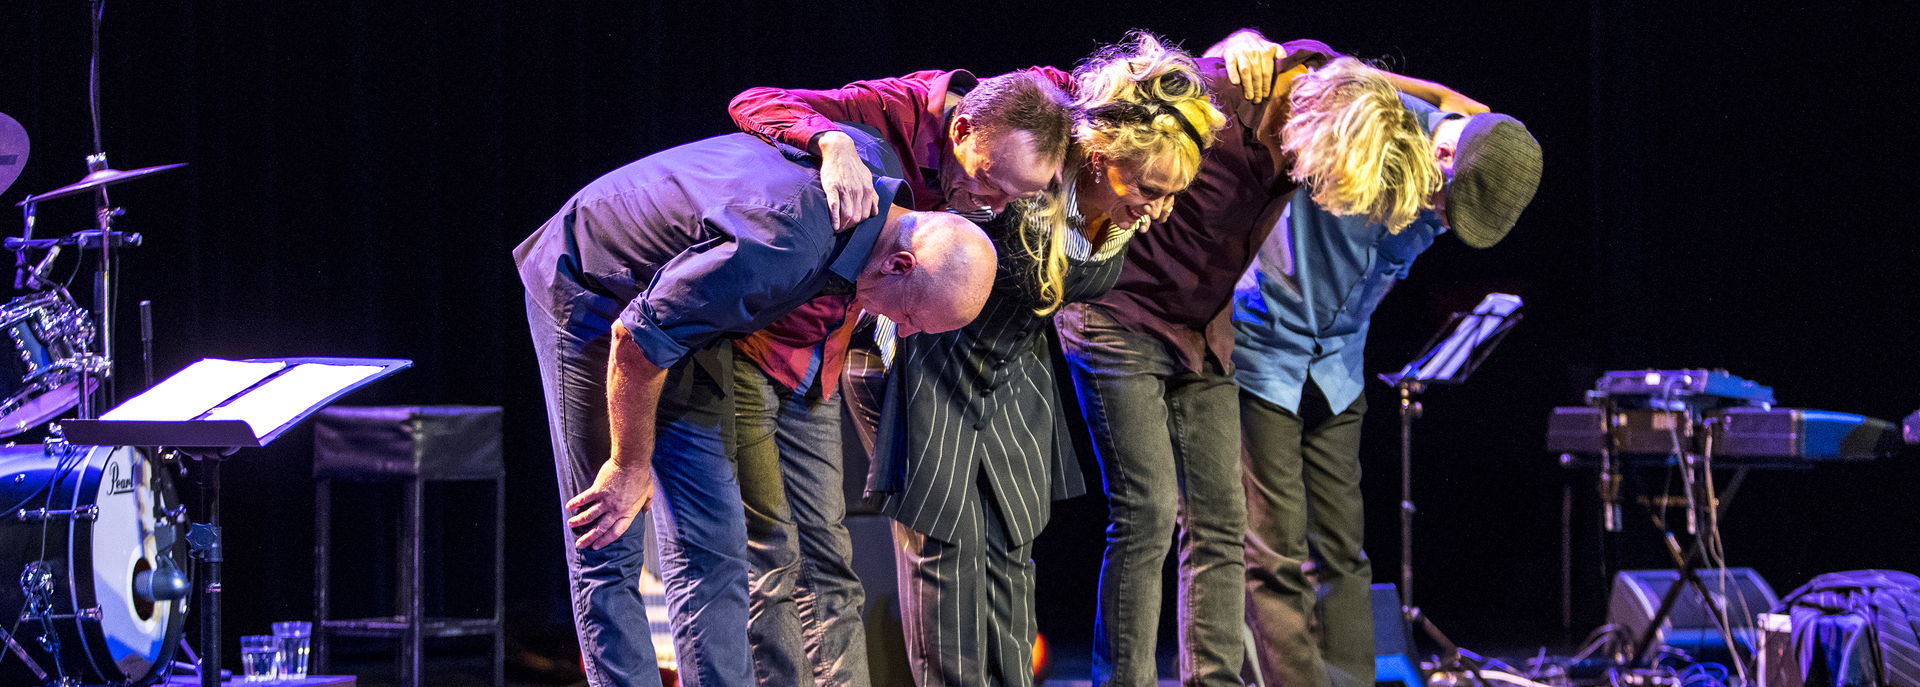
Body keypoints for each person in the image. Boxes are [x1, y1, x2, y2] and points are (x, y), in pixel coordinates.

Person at [730, 31, 1226, 686]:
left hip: (1011, 365)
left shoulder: (1104, 161)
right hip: (927, 350)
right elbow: (762, 103)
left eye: (1173, 192)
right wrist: (833, 141)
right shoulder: (1038, 125)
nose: (1160, 210)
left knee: (1013, 550)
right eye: (1150, 186)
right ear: (1103, 153)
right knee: (949, 553)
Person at [1055, 30, 1484, 687]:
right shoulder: (1224, 96)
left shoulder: (1320, 84)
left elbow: (1387, 85)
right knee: (1145, 515)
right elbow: (1095, 109)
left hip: (1204, 329)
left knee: (1221, 524)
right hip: (1119, 312)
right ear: (1327, 138)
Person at [513, 126, 997, 687]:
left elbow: (806, 120)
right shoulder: (783, 245)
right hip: (596, 285)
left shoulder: (866, 180)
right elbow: (635, 342)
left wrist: (832, 140)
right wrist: (627, 466)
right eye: (911, 316)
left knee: (714, 543)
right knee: (610, 526)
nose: (903, 331)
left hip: (686, 312)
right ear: (900, 264)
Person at [726, 69, 1075, 686]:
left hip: (858, 341)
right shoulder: (890, 112)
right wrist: (830, 143)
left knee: (836, 561)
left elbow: (1084, 83)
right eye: (988, 179)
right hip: (778, 334)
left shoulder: (1020, 115)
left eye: (1009, 198)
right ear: (961, 128)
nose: (989, 203)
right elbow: (755, 99)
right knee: (786, 553)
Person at [1233, 94, 1542, 687]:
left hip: (1339, 364)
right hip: (1267, 348)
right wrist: (1242, 42)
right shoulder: (1369, 117)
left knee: (1344, 552)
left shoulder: (1474, 153)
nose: (1441, 220)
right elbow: (1303, 71)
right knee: (1273, 553)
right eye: (1443, 205)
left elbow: (1471, 114)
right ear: (1443, 152)